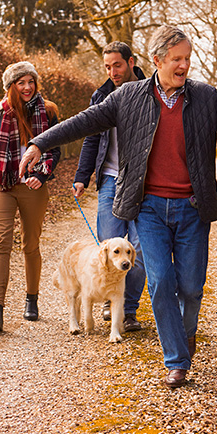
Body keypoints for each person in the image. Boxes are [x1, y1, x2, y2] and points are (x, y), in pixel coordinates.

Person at [20, 25, 217, 388]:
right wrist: (39, 143)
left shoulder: (205, 97)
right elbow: (83, 122)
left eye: (188, 59)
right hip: (149, 208)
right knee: (160, 281)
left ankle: (183, 331)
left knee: (190, 287)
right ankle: (176, 359)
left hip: (193, 208)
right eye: (177, 59)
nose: (184, 65)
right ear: (157, 60)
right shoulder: (127, 96)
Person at [0, 62, 61, 331]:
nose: (27, 87)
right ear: (11, 87)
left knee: (31, 243)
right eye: (21, 82)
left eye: (31, 81)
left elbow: (55, 151)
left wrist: (41, 176)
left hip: (33, 188)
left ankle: (32, 299)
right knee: (1, 244)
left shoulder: (48, 112)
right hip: (3, 187)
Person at [72, 41, 147, 332]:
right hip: (110, 180)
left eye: (117, 65)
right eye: (107, 66)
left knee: (138, 250)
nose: (112, 71)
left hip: (143, 182)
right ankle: (108, 300)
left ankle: (127, 310)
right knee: (108, 249)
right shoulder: (101, 95)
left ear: (131, 62)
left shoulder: (150, 91)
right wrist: (82, 175)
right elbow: (91, 136)